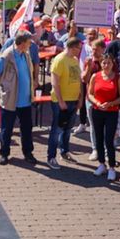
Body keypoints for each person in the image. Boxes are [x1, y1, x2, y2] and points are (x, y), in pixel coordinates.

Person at [0, 31, 39, 165]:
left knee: (27, 128)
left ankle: (28, 153)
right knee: (7, 129)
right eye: (29, 42)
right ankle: (4, 153)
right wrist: (3, 87)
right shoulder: (7, 55)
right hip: (10, 100)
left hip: (25, 101)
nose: (30, 45)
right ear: (22, 43)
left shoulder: (26, 54)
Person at [86, 53, 120, 179]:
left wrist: (111, 103)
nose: (106, 65)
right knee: (99, 138)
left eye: (109, 63)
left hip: (112, 112)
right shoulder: (95, 76)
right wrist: (97, 102)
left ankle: (112, 166)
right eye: (104, 63)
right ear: (100, 64)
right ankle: (102, 164)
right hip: (97, 110)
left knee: (109, 140)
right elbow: (90, 94)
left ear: (113, 64)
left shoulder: (117, 77)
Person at [46, 37, 83, 167]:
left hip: (73, 99)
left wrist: (80, 98)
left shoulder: (74, 60)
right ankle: (51, 157)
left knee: (68, 128)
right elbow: (55, 82)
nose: (80, 50)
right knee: (57, 129)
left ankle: (65, 151)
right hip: (61, 101)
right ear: (72, 47)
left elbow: (79, 80)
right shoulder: (60, 60)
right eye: (78, 48)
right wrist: (61, 101)